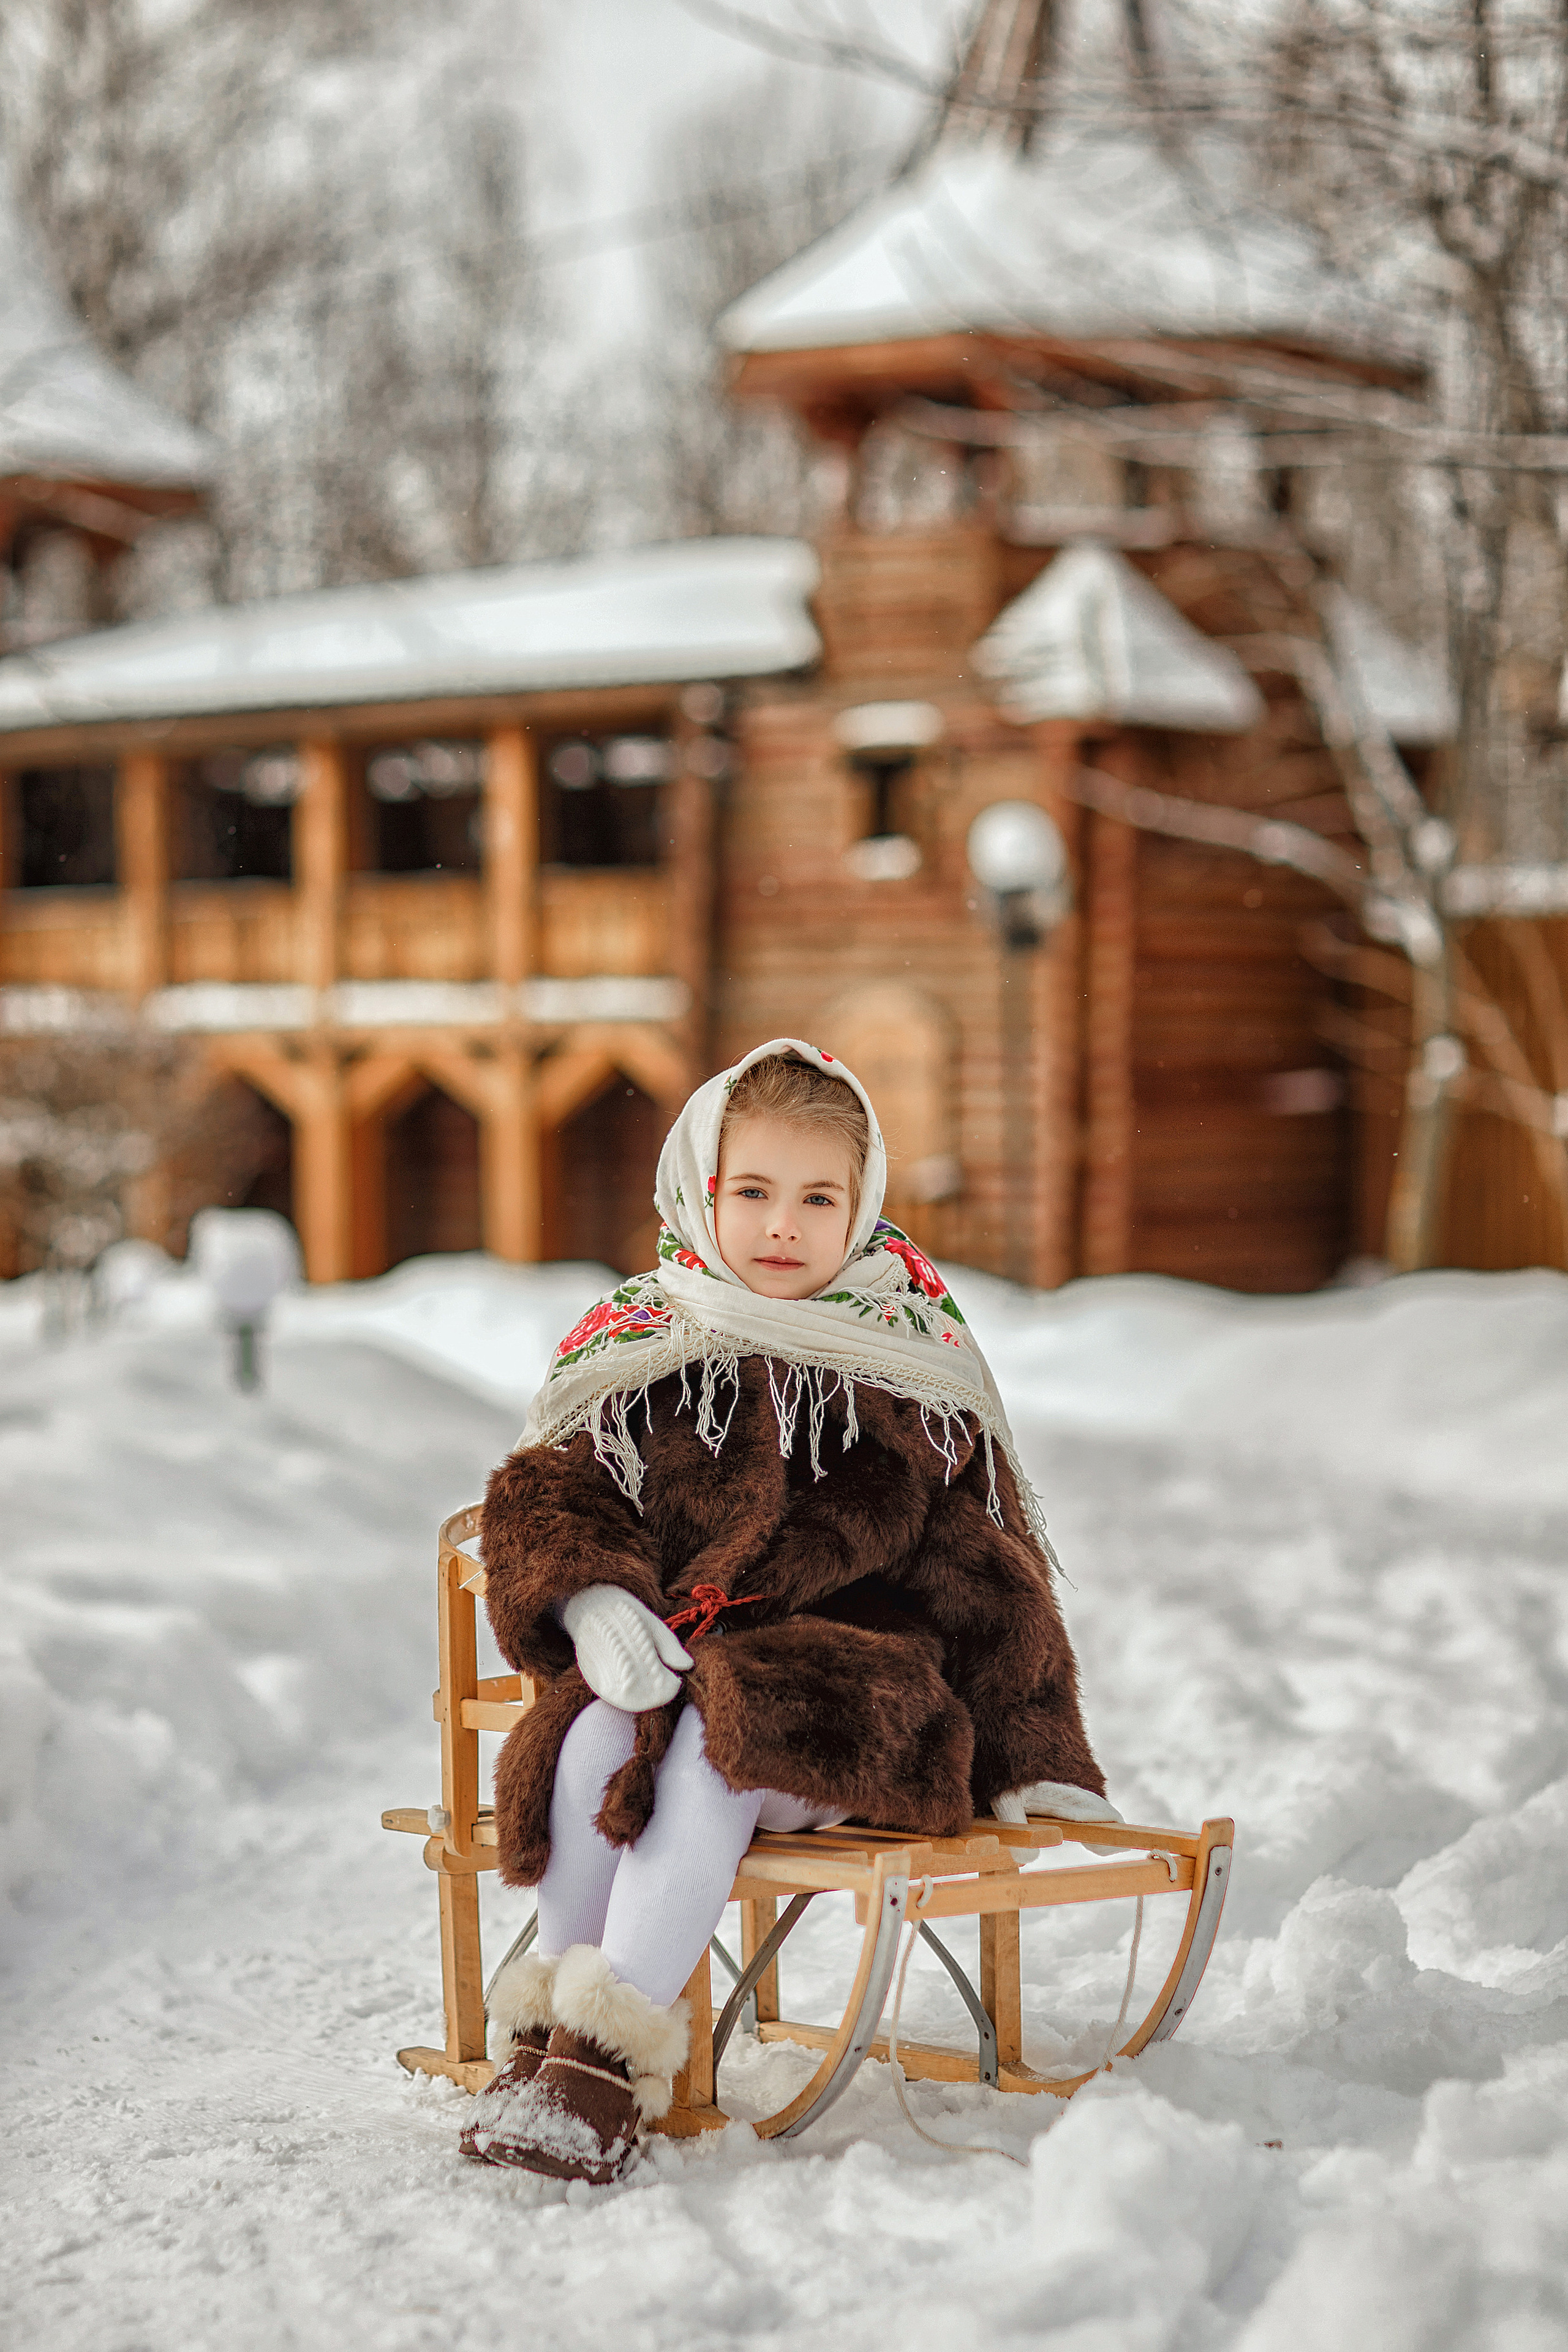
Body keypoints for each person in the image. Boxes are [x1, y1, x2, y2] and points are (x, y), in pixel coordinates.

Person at [461, 1039, 1117, 2182]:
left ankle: (604, 2071)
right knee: (589, 1738)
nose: (782, 1225)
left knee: (722, 1739)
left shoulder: (905, 1367)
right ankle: (547, 2045)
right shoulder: (642, 1343)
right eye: (752, 1192)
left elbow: (990, 1575)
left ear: (860, 1207)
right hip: (674, 1675)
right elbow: (546, 1489)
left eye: (819, 1198)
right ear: (699, 1192)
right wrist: (596, 1599)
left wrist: (1037, 1749)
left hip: (854, 1707)